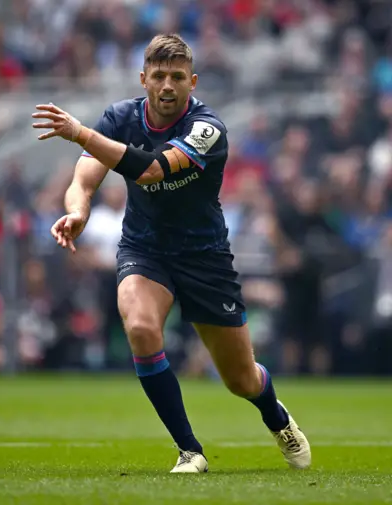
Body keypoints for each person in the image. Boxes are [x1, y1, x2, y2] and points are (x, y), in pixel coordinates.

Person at [32, 33, 311, 473]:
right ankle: (190, 451)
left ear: (192, 82)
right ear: (143, 79)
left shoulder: (207, 130)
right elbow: (85, 176)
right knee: (141, 328)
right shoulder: (120, 117)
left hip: (205, 257)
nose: (167, 85)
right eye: (158, 75)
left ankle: (277, 419)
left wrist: (79, 133)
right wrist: (78, 212)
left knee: (241, 380)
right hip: (145, 250)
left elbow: (149, 171)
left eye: (177, 77)